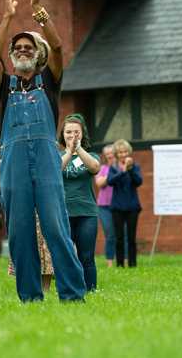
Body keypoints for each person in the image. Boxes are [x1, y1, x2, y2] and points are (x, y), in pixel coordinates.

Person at [0, 0, 85, 302]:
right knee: (19, 234)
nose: (22, 50)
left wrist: (38, 10)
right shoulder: (5, 86)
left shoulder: (49, 81)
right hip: (13, 166)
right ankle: (30, 297)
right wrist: (7, 17)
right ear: (13, 56)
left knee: (56, 229)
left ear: (37, 55)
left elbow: (57, 47)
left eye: (28, 47)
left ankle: (72, 294)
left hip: (45, 163)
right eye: (17, 48)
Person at [60, 113, 101, 291]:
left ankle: (90, 289)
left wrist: (78, 149)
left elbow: (94, 167)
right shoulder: (57, 154)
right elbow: (55, 169)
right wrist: (69, 152)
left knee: (86, 256)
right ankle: (69, 287)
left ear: (82, 134)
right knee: (66, 255)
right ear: (63, 134)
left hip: (87, 213)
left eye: (76, 132)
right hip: (63, 212)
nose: (72, 135)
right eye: (68, 132)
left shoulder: (91, 155)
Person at [108, 139, 142, 268]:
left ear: (129, 152)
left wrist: (130, 169)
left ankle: (133, 264)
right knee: (119, 237)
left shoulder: (135, 166)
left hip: (132, 207)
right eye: (120, 152)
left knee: (131, 237)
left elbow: (138, 182)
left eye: (125, 152)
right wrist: (122, 171)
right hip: (117, 207)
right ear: (116, 154)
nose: (123, 154)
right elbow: (110, 181)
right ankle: (120, 264)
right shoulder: (113, 168)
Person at [95, 144, 117, 267]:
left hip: (119, 205)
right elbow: (99, 183)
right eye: (107, 153)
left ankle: (123, 260)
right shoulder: (102, 168)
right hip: (104, 206)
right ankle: (110, 261)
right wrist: (114, 173)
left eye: (111, 152)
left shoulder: (120, 167)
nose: (110, 155)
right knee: (110, 233)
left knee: (121, 233)